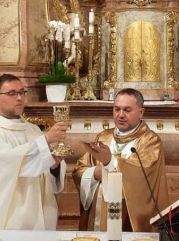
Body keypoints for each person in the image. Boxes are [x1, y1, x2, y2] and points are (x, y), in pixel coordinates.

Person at [0, 74, 67, 231]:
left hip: (38, 216)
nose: (19, 98)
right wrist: (46, 140)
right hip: (7, 221)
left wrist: (54, 167)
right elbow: (9, 162)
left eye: (22, 92)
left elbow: (42, 170)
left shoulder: (33, 130)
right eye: (12, 93)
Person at [72, 88, 169, 232]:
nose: (121, 115)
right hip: (97, 217)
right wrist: (95, 173)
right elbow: (80, 170)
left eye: (127, 110)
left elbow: (141, 179)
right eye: (117, 109)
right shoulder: (103, 137)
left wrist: (109, 163)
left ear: (141, 112)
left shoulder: (150, 141)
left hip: (128, 222)